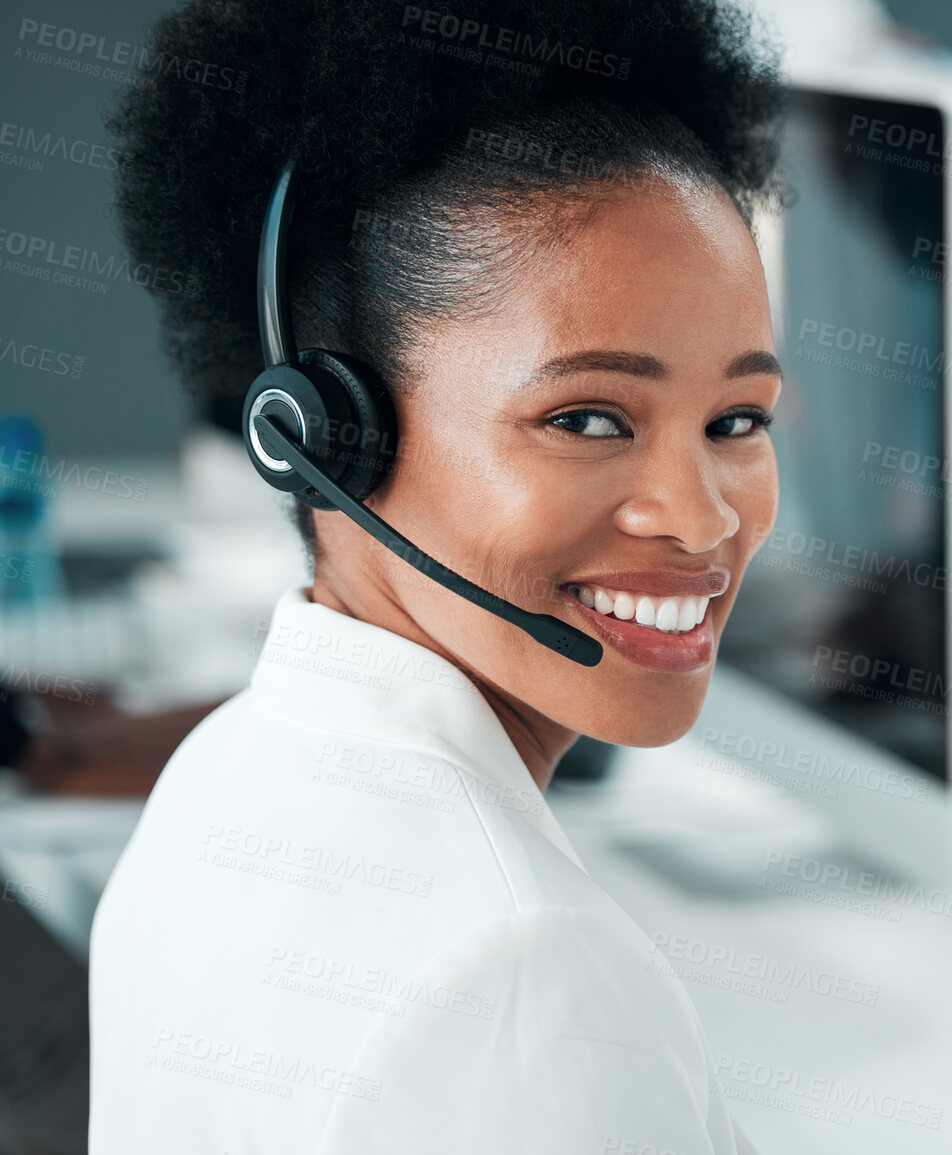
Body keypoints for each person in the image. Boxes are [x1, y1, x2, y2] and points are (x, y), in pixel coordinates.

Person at [86, 1, 786, 1150]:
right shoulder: (522, 970)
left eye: (736, 418)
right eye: (590, 416)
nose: (699, 515)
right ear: (327, 436)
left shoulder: (221, 778)